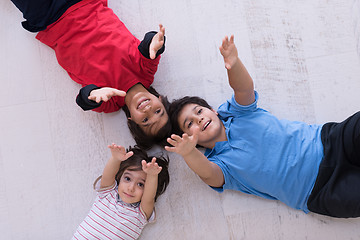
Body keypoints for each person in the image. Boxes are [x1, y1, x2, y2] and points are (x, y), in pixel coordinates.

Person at [165, 35, 360, 218]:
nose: (198, 119)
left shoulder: (236, 113)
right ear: (189, 138)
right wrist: (189, 154)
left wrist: (233, 65)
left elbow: (244, 88)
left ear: (213, 111)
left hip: (331, 141)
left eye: (199, 111)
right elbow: (207, 172)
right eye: (189, 124)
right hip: (319, 190)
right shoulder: (220, 165)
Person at [10, 0, 172, 149]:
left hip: (49, 19)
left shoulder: (110, 104)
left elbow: (84, 99)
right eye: (158, 112)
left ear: (132, 121)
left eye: (145, 121)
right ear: (161, 100)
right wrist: (155, 42)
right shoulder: (146, 73)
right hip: (86, 3)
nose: (148, 110)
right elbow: (149, 47)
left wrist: (93, 94)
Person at [72, 143, 170, 239]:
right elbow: (108, 175)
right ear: (120, 176)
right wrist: (116, 159)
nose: (131, 188)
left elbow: (149, 197)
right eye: (127, 179)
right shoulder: (107, 193)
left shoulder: (140, 214)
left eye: (140, 184)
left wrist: (152, 176)